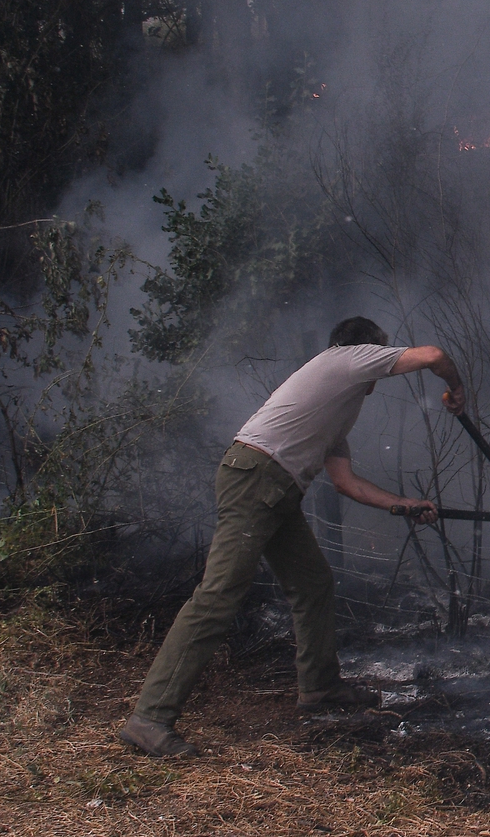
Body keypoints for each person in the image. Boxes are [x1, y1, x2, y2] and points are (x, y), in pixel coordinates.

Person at [118, 317, 462, 758]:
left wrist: (404, 504)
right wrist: (457, 391)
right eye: (382, 350)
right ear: (368, 349)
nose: (382, 363)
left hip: (273, 487)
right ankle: (150, 718)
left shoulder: (336, 405)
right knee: (218, 595)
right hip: (257, 479)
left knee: (313, 583)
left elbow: (346, 483)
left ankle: (319, 688)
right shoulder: (346, 358)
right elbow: (434, 356)